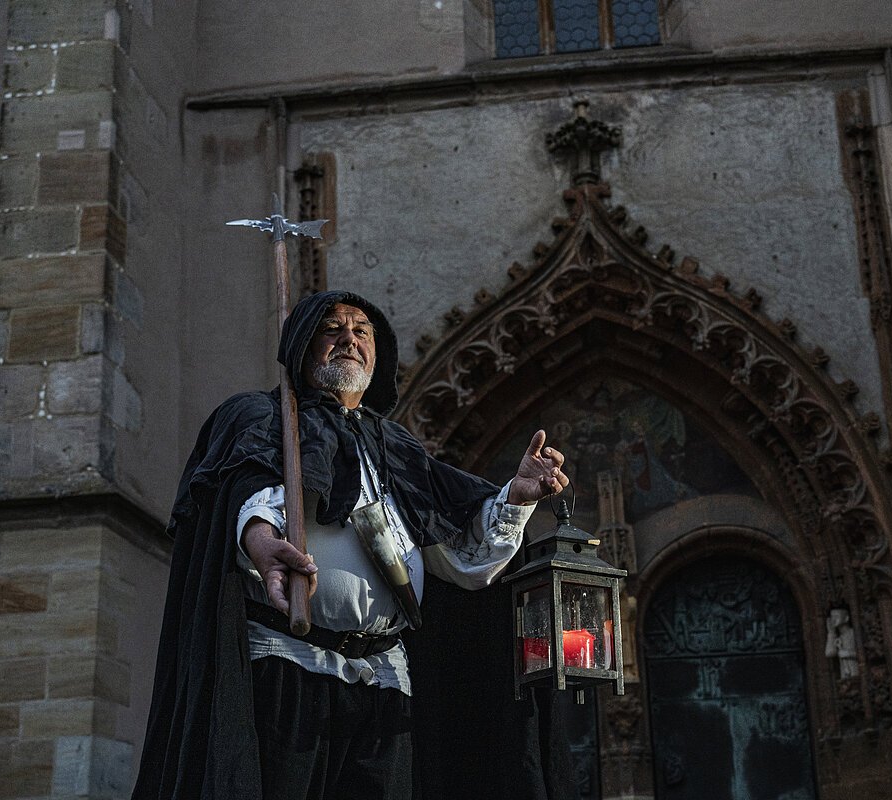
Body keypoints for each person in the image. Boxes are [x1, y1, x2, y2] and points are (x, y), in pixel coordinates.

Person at [133, 290, 575, 800]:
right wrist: (260, 541)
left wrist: (517, 498)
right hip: (289, 667)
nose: (349, 340)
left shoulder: (399, 449)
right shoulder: (260, 418)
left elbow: (467, 558)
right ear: (302, 344)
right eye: (332, 329)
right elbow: (243, 494)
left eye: (361, 331)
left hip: (386, 680)